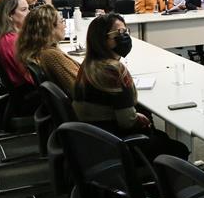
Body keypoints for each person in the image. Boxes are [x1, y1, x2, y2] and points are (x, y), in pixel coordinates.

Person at [72, 13, 189, 161]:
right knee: (178, 148)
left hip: (95, 138)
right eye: (119, 33)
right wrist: (139, 118)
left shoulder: (89, 64)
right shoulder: (114, 70)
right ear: (102, 39)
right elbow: (127, 122)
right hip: (117, 143)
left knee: (161, 134)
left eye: (126, 31)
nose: (125, 36)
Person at [0, 0, 39, 115]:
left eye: (28, 9)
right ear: (9, 15)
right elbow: (30, 77)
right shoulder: (10, 41)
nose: (29, 13)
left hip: (22, 92)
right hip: (29, 97)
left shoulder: (7, 36)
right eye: (24, 10)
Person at [17, 4, 79, 96]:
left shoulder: (41, 51)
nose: (65, 26)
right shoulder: (51, 56)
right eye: (61, 21)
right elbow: (81, 87)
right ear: (50, 28)